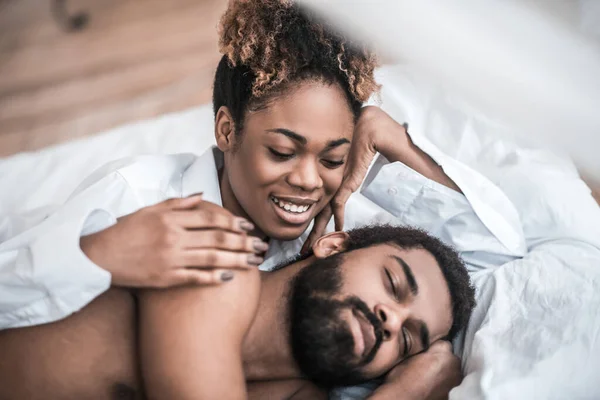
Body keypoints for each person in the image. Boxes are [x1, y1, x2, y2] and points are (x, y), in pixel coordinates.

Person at [0, 0, 522, 397]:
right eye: (281, 150)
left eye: (332, 160)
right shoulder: (146, 202)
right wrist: (101, 254)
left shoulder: (319, 241)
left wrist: (394, 146)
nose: (308, 181)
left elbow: (491, 259)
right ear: (227, 131)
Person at [0, 221, 476, 399]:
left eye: (408, 339)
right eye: (393, 283)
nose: (391, 320)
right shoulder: (218, 263)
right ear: (333, 246)